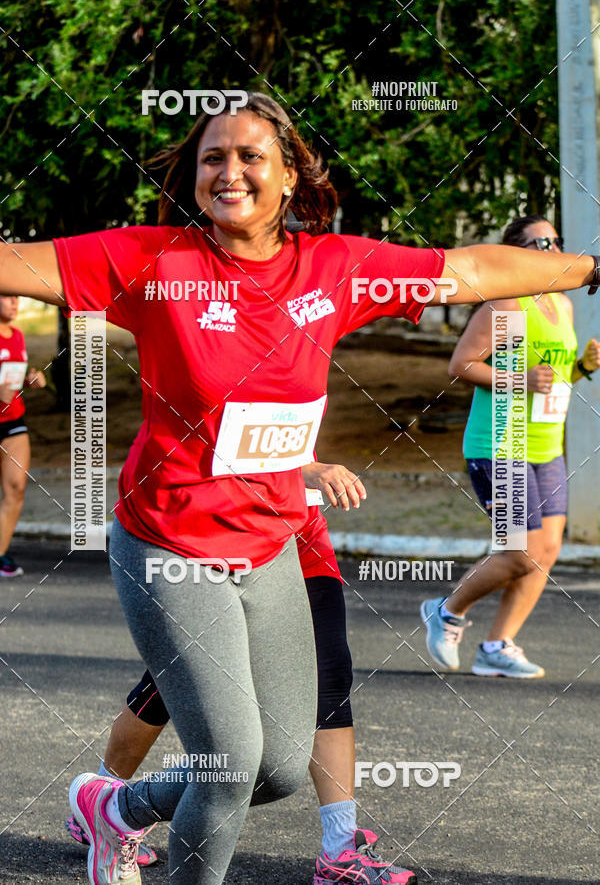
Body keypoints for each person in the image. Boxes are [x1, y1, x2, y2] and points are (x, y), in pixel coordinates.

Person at [2, 93, 599, 885]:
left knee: (278, 771)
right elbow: (18, 262)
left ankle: (116, 809)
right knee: (226, 762)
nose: (231, 171)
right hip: (168, 545)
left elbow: (470, 271)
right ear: (194, 175)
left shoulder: (334, 267)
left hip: (273, 543)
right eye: (213, 157)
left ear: (289, 178)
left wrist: (590, 267)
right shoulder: (151, 260)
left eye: (252, 157)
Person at [66, 461, 416, 884]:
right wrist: (306, 469)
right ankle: (104, 804)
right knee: (166, 687)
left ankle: (339, 849)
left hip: (299, 537)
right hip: (217, 535)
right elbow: (216, 442)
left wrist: (306, 468)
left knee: (330, 676)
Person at [421, 215, 600, 678]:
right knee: (519, 551)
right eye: (539, 242)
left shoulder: (563, 304)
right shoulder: (507, 305)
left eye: (556, 240)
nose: (552, 247)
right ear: (515, 254)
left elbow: (551, 380)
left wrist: (582, 366)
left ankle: (497, 647)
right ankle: (446, 610)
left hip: (545, 446)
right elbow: (461, 365)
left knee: (545, 551)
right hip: (500, 442)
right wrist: (519, 379)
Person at [0, 294, 47, 576]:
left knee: (15, 489)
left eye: (17, 298)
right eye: (7, 297)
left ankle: (0, 552)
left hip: (13, 421)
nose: (14, 303)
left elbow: (12, 379)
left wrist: (31, 380)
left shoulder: (17, 336)